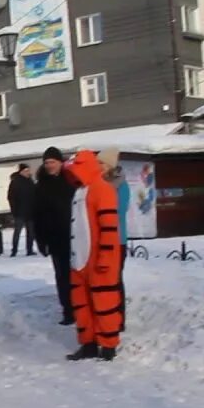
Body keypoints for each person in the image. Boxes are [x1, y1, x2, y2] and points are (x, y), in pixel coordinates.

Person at [63, 150, 123, 362]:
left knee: (104, 301)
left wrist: (105, 257)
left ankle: (108, 344)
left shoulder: (103, 190)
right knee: (82, 303)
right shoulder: (79, 192)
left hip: (98, 260)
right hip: (79, 259)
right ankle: (88, 343)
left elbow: (109, 227)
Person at [33, 146, 75, 325]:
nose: (49, 165)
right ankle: (68, 310)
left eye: (53, 162)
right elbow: (37, 216)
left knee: (77, 275)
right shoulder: (41, 186)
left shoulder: (71, 181)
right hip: (55, 239)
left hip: (75, 237)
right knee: (62, 276)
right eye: (47, 163)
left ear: (61, 162)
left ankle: (80, 307)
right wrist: (41, 241)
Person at [98, 148, 131, 330]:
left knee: (115, 280)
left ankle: (119, 318)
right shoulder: (98, 183)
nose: (98, 167)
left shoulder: (121, 185)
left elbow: (118, 212)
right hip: (102, 240)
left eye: (101, 163)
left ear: (110, 165)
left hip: (117, 240)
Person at [7, 165, 36, 257]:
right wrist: (14, 210)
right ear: (21, 171)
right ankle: (14, 250)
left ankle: (29, 249)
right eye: (26, 170)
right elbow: (11, 197)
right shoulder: (15, 182)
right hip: (19, 212)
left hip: (30, 211)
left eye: (29, 170)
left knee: (31, 232)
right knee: (17, 232)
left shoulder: (30, 181)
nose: (28, 172)